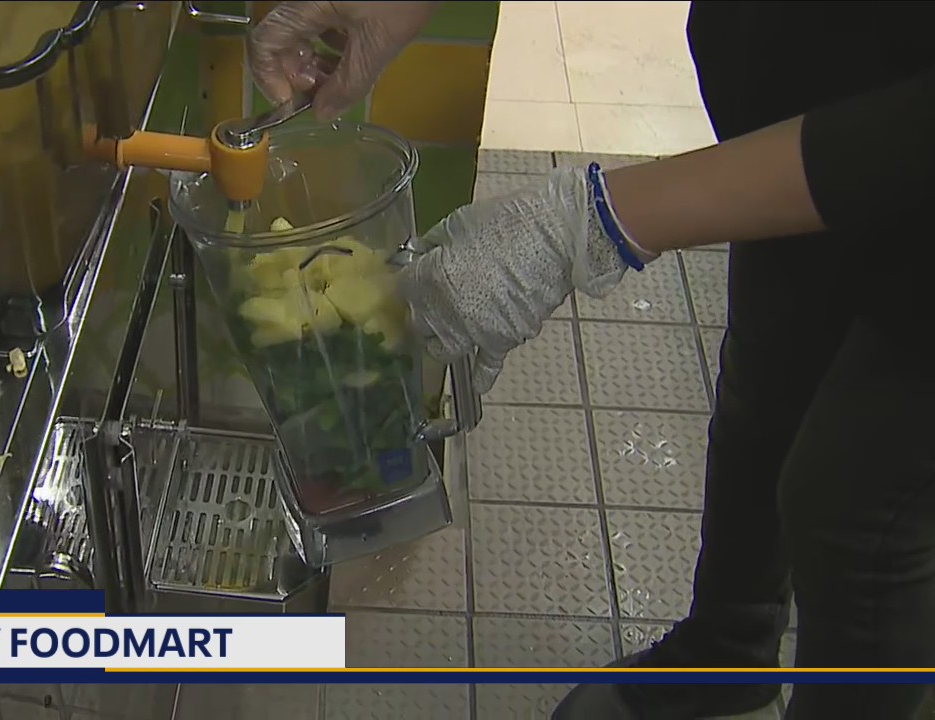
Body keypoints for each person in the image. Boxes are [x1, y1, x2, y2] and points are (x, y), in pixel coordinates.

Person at [250, 2, 935, 718]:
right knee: (769, 386)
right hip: (806, 122)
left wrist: (593, 221)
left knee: (854, 508)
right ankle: (729, 647)